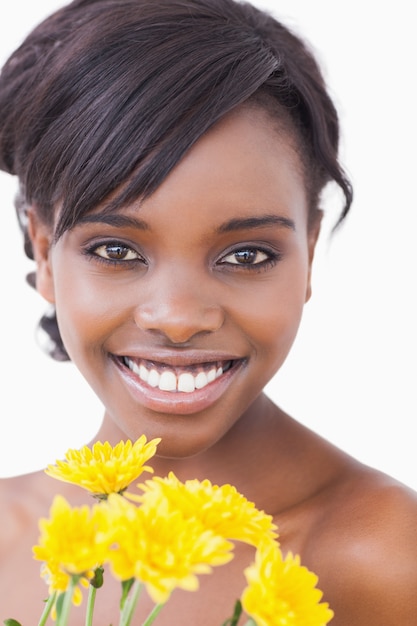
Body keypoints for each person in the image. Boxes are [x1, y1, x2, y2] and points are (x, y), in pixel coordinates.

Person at [0, 0, 416, 624]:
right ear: (45, 254)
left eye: (246, 255)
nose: (177, 317)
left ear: (308, 252)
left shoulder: (381, 559)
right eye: (116, 249)